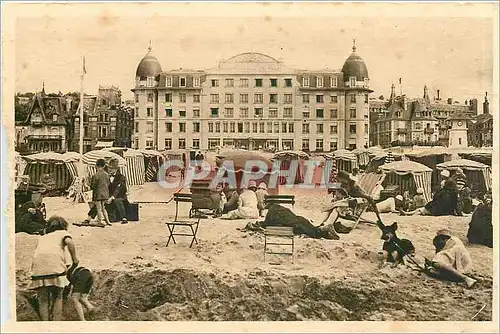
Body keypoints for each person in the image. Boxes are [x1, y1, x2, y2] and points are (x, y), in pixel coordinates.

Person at [29, 216, 79, 321]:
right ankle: (56, 323)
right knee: (58, 295)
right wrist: (75, 260)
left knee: (42, 299)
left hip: (38, 269)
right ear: (63, 226)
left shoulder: (43, 237)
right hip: (55, 268)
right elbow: (69, 242)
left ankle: (45, 325)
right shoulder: (62, 233)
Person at [106, 159, 128, 224]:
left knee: (117, 200)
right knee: (99, 200)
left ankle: (124, 217)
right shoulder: (106, 176)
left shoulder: (121, 177)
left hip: (120, 196)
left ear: (116, 169)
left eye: (112, 168)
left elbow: (118, 189)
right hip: (109, 196)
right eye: (109, 168)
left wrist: (112, 197)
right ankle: (89, 217)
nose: (109, 170)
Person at [90, 159, 111, 227]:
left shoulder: (95, 175)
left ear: (96, 166)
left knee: (98, 208)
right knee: (103, 208)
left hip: (98, 194)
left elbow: (92, 186)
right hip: (105, 193)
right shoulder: (107, 175)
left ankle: (100, 221)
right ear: (104, 166)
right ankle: (108, 221)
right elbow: (108, 184)